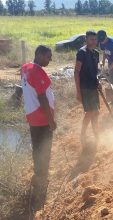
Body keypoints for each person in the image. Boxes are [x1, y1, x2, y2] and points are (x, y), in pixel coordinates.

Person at [21, 45, 56, 211]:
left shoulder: (26, 67)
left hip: (32, 117)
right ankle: (42, 180)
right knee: (45, 149)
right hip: (42, 119)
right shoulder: (37, 71)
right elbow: (42, 98)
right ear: (40, 55)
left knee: (37, 148)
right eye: (48, 57)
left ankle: (38, 175)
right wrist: (51, 120)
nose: (50, 60)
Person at [74, 30, 100, 144]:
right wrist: (78, 92)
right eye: (91, 39)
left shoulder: (96, 53)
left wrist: (98, 82)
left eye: (95, 39)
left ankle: (96, 133)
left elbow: (95, 71)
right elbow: (76, 72)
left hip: (93, 86)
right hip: (85, 87)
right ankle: (83, 134)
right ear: (86, 40)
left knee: (96, 112)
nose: (94, 41)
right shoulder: (81, 52)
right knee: (89, 112)